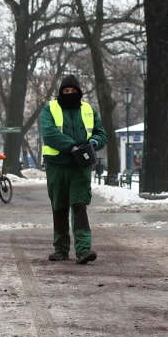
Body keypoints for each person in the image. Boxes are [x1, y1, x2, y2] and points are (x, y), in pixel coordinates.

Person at [40, 75, 107, 264]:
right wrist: (72, 146)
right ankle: (60, 249)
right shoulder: (50, 109)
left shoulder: (88, 110)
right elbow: (49, 133)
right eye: (66, 91)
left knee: (79, 206)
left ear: (79, 92)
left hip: (80, 166)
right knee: (59, 207)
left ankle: (84, 250)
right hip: (56, 165)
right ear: (61, 92)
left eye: (73, 90)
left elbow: (101, 133)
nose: (70, 93)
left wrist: (95, 142)